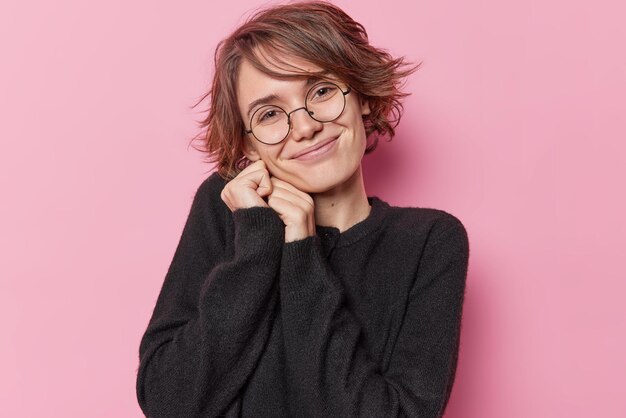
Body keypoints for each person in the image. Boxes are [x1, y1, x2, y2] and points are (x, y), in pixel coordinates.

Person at [135, 1, 470, 417]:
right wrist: (257, 245)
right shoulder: (227, 209)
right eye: (270, 113)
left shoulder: (428, 242)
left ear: (361, 97)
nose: (305, 126)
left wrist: (302, 255)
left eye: (322, 91)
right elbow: (168, 401)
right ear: (248, 144)